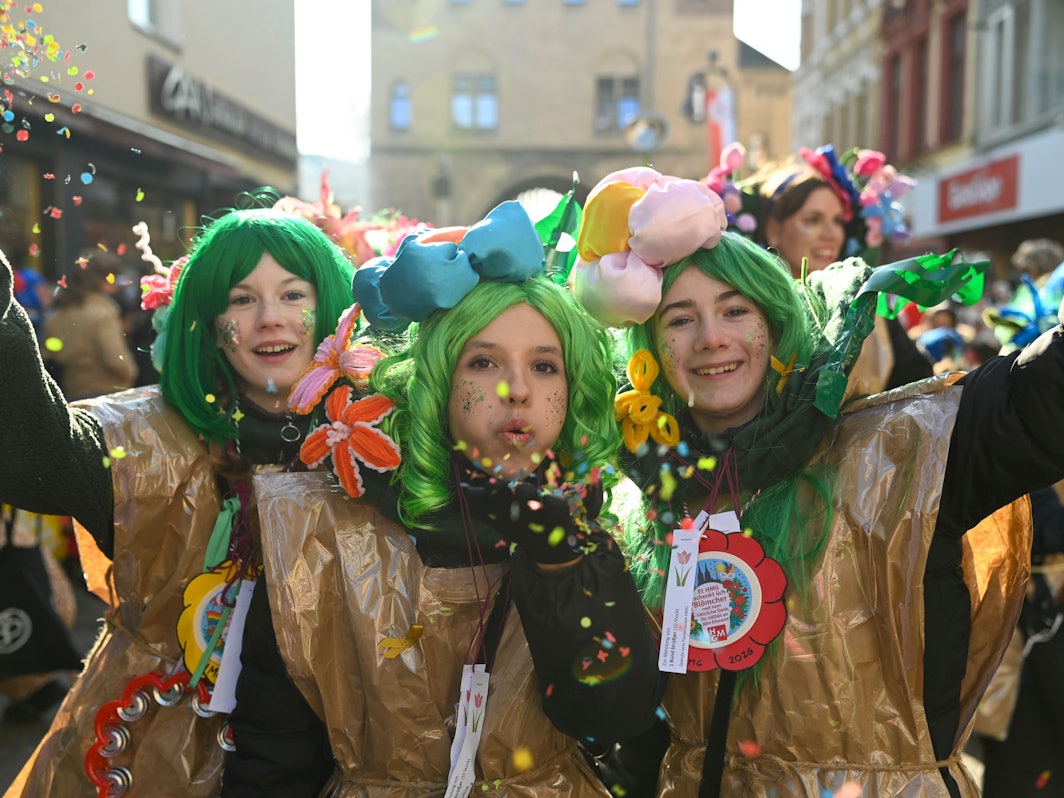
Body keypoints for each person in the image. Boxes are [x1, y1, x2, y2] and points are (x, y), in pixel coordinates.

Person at [571, 166, 1061, 797]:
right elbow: (648, 732)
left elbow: (1041, 398)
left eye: (734, 309)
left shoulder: (899, 449)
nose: (712, 337)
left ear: (774, 323)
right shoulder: (647, 501)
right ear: (651, 349)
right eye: (680, 319)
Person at [222, 201, 662, 796]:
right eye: (483, 362)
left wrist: (565, 565)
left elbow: (610, 718)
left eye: (544, 365)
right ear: (438, 380)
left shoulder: (600, 518)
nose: (518, 391)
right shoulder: (319, 523)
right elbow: (273, 752)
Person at [0, 194, 359, 796]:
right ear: (209, 326)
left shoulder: (384, 446)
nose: (269, 318)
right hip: (144, 757)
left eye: (294, 295)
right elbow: (33, 455)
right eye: (241, 299)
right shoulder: (149, 440)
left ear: (336, 311)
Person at [709, 143, 933, 395]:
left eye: (837, 221)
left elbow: (919, 387)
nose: (831, 235)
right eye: (812, 220)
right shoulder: (742, 310)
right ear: (773, 229)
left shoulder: (866, 304)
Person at [41, 249, 139, 400]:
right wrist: (131, 373)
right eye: (112, 277)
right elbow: (116, 360)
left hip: (71, 392)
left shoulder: (58, 314)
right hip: (107, 395)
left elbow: (48, 352)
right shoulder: (103, 312)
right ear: (100, 279)